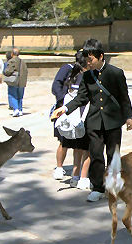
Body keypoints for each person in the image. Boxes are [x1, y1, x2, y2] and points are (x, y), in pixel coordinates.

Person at [52, 39, 132, 202]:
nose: (88, 63)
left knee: (113, 155)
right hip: (95, 121)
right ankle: (97, 187)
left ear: (100, 56)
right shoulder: (87, 76)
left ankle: (113, 187)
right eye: (86, 60)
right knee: (96, 155)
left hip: (113, 121)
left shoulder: (116, 73)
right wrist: (65, 108)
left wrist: (129, 116)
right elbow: (81, 98)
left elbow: (124, 97)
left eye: (91, 59)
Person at [51, 51, 91, 189]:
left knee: (78, 146)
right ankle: (61, 168)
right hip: (68, 113)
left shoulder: (81, 76)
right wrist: (63, 104)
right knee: (67, 143)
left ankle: (76, 176)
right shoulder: (69, 71)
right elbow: (56, 86)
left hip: (75, 114)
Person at [4, 48, 28, 117]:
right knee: (20, 96)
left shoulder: (11, 61)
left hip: (14, 81)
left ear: (12, 54)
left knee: (12, 95)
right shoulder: (23, 62)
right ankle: (20, 110)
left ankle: (16, 109)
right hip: (22, 81)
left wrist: (5, 72)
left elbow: (8, 71)